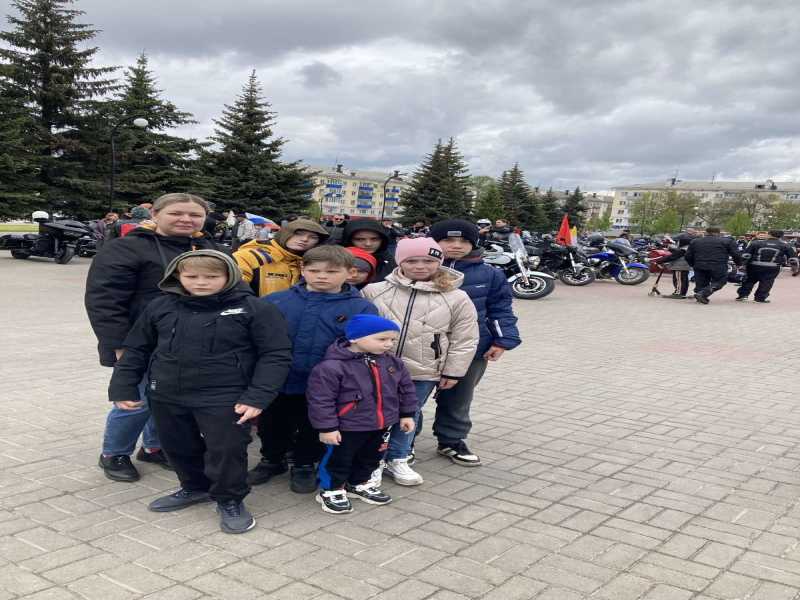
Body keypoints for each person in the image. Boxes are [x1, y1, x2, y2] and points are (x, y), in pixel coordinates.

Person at [108, 250, 291, 533]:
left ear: (229, 276)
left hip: (225, 394)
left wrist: (257, 397)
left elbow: (275, 354)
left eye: (211, 276)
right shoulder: (160, 306)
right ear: (177, 276)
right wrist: (122, 386)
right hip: (167, 391)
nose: (201, 282)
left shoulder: (254, 308)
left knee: (226, 450)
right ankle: (195, 487)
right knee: (178, 446)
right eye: (192, 276)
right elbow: (137, 349)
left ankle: (229, 499)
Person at [85, 193, 221, 482]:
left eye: (195, 215)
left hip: (192, 340)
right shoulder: (126, 248)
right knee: (138, 400)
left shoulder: (209, 248)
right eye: (177, 213)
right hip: (139, 342)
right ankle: (114, 453)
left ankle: (154, 447)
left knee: (169, 399)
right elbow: (104, 300)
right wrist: (118, 345)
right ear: (155, 214)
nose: (186, 219)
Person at [247, 245, 379, 493]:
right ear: (303, 269)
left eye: (331, 271)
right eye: (314, 270)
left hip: (325, 385)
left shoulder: (361, 308)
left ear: (350, 272)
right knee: (272, 423)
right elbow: (257, 338)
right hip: (279, 379)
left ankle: (304, 464)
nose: (322, 276)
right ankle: (272, 459)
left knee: (314, 425)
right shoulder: (276, 301)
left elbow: (362, 345)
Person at [362, 238, 479, 485]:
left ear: (439, 262)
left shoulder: (456, 297)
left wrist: (453, 372)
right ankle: (372, 460)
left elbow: (465, 338)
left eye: (428, 260)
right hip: (376, 367)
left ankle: (398, 457)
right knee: (374, 412)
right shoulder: (374, 290)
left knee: (409, 413)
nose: (420, 266)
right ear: (400, 261)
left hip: (423, 369)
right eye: (412, 260)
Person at [429, 220, 522, 466]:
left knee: (459, 398)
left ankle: (451, 440)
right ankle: (402, 445)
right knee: (409, 397)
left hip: (471, 347)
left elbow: (500, 309)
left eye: (464, 241)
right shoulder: (419, 268)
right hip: (421, 347)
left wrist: (503, 340)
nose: (456, 245)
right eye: (448, 240)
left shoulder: (490, 274)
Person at [307, 315, 418, 513]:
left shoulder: (393, 363)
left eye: (392, 340)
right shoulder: (331, 367)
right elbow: (321, 400)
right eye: (382, 339)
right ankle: (332, 489)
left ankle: (359, 483)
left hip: (382, 424)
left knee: (371, 457)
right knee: (339, 459)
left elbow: (406, 389)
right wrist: (327, 428)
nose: (388, 344)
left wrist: (407, 414)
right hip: (347, 426)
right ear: (355, 338)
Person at [234, 218, 329, 297]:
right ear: (285, 233)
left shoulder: (312, 262)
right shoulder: (250, 256)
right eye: (298, 233)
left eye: (313, 237)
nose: (305, 239)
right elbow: (234, 291)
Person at [685, 226, 742, 304]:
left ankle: (701, 294)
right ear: (719, 233)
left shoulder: (695, 241)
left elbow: (688, 255)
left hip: (699, 264)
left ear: (706, 232)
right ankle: (702, 294)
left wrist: (692, 264)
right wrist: (739, 263)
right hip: (718, 265)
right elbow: (736, 254)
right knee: (720, 281)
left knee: (701, 282)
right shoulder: (727, 241)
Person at [736, 230, 798, 303]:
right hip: (772, 267)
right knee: (766, 283)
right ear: (781, 236)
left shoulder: (755, 243)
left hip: (754, 265)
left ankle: (743, 296)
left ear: (769, 234)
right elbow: (793, 259)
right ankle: (759, 298)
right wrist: (795, 269)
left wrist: (741, 264)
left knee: (749, 280)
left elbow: (746, 255)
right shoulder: (786, 245)